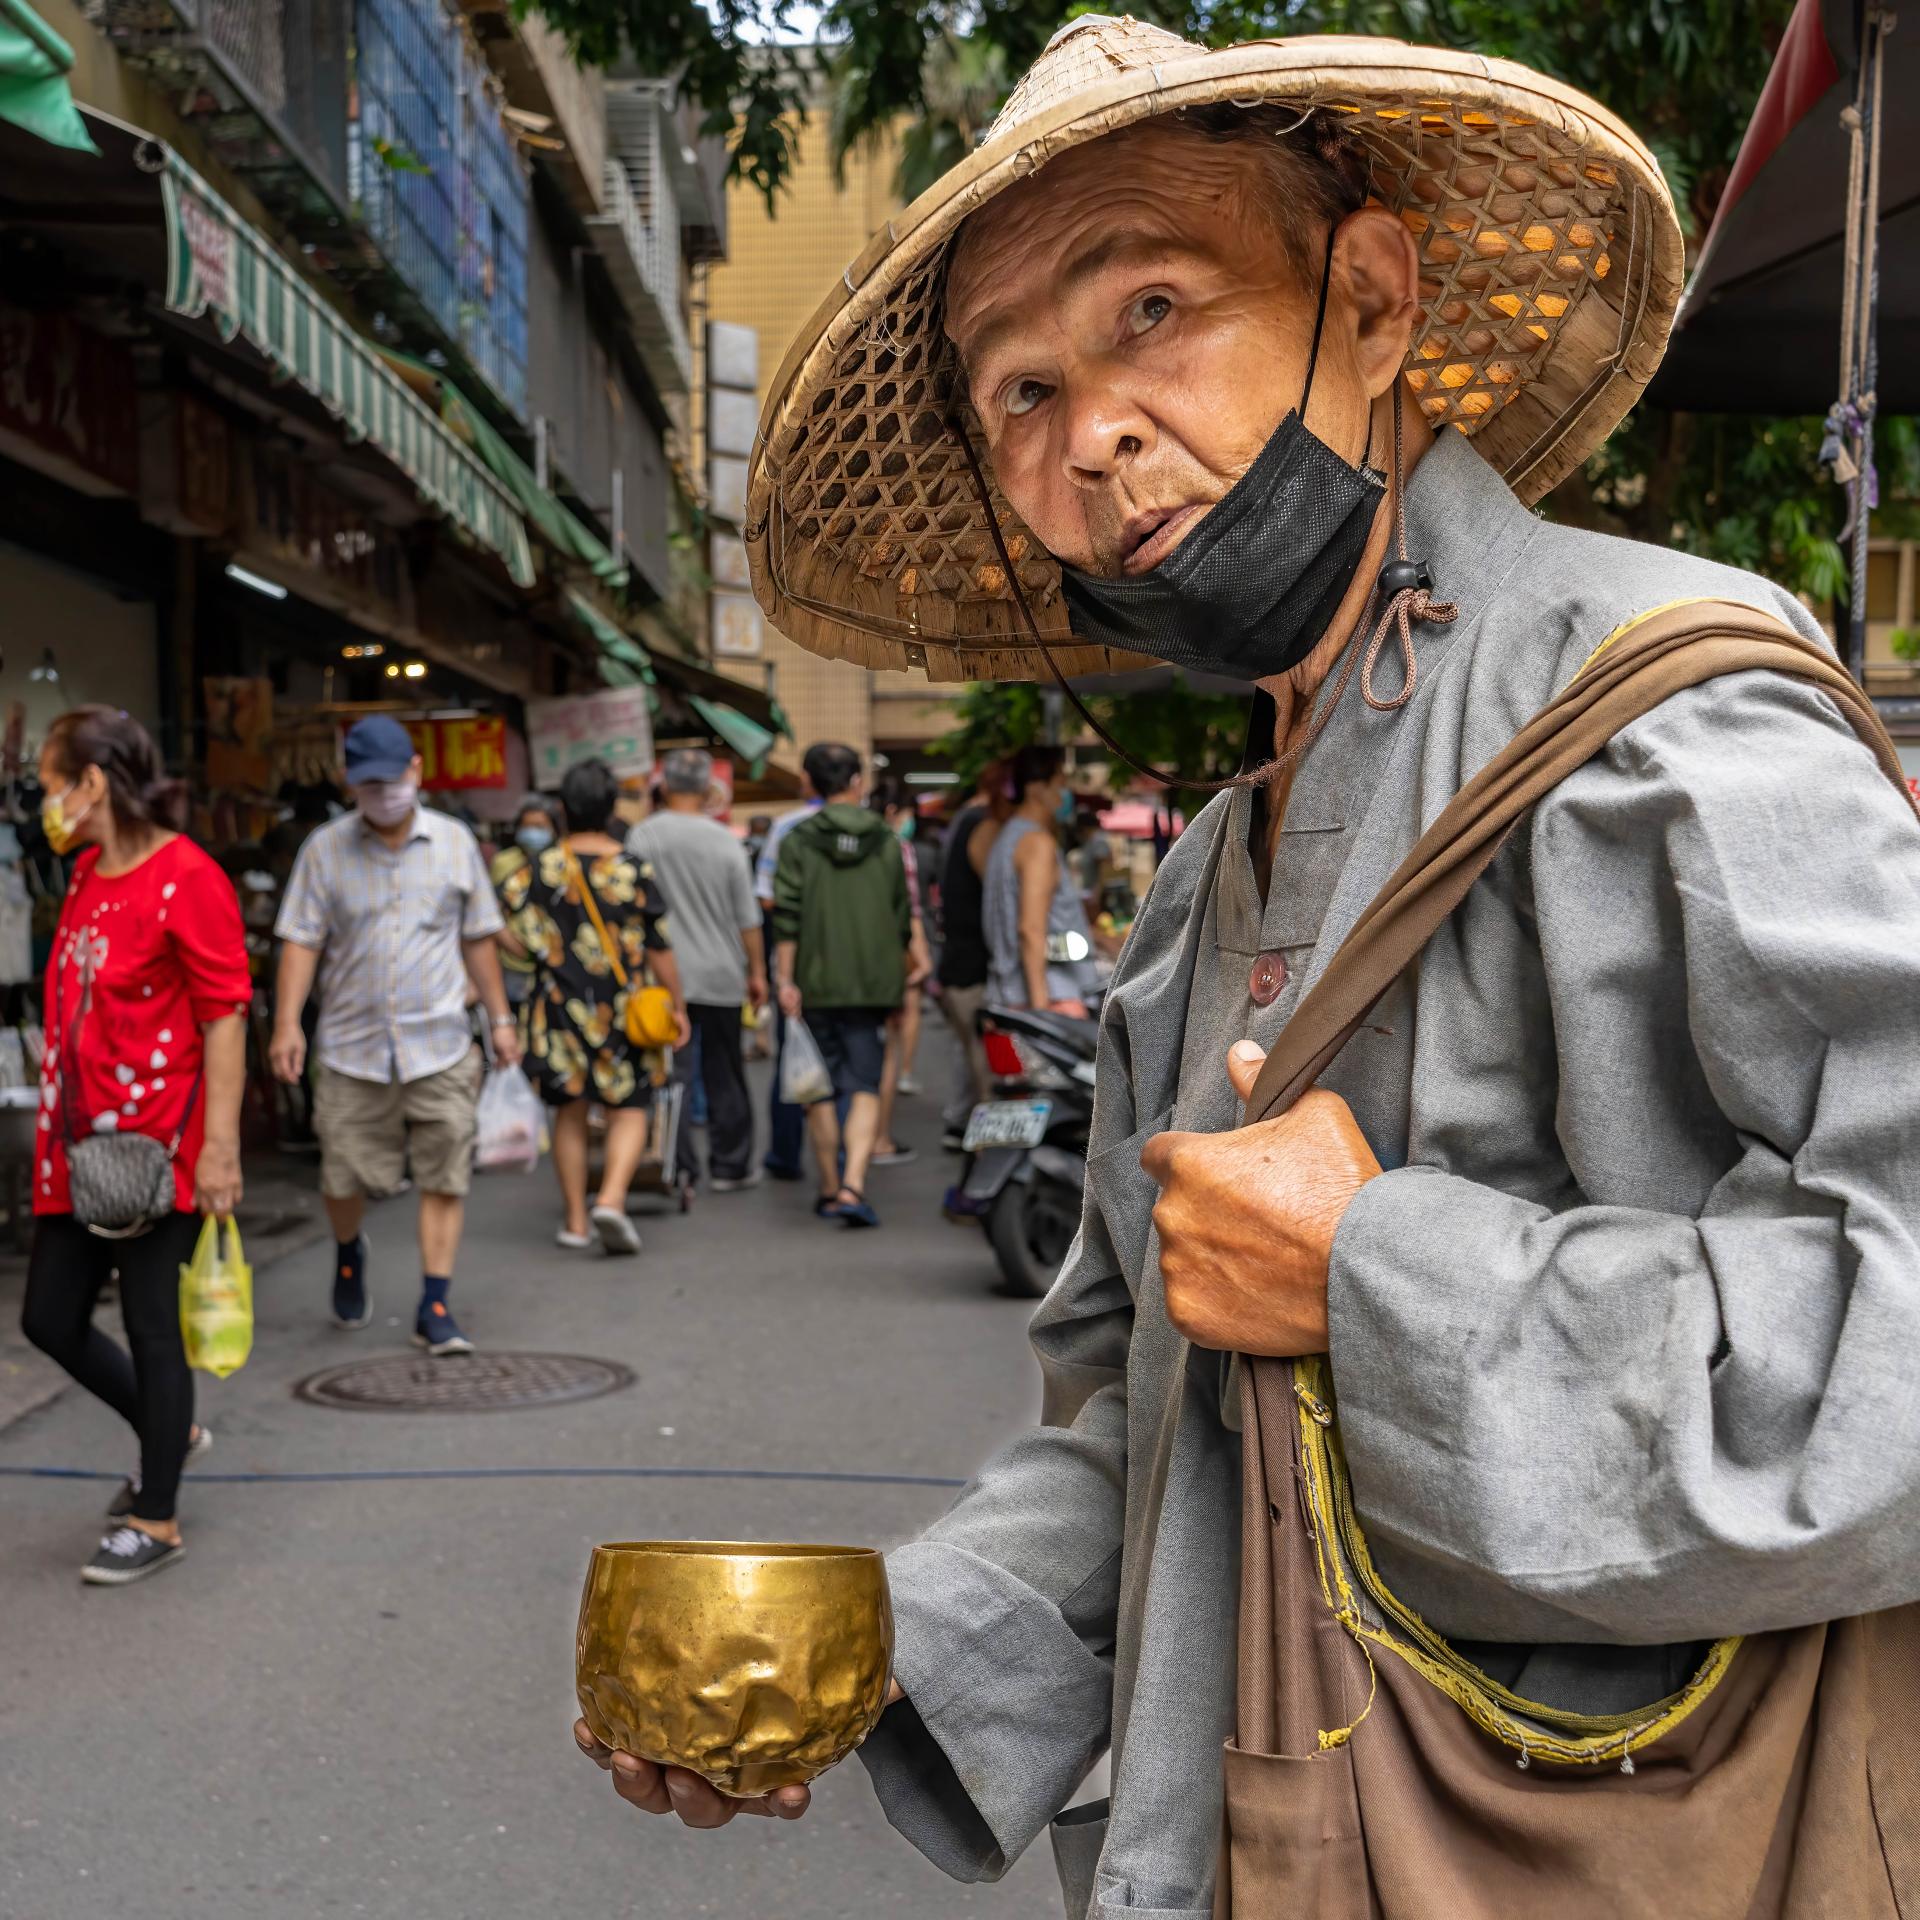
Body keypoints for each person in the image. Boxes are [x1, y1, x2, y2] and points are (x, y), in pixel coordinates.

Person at [576, 17, 1920, 1907]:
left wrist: (1379, 1274)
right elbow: (1153, 1421)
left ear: (1371, 296)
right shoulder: (1211, 877)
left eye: (1151, 311)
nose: (1092, 432)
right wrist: (877, 1654)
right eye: (1018, 392)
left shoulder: (1657, 724)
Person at [21, 706, 249, 1586]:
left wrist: (221, 1147)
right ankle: (171, 1430)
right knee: (48, 1317)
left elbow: (224, 1013)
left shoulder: (186, 875)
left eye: (52, 785)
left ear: (93, 784)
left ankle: (156, 1517)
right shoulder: (84, 876)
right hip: (80, 1145)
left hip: (161, 1141)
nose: (47, 804)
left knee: (154, 1328)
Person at [271, 715, 519, 1354]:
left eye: (391, 780)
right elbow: (301, 939)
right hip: (351, 1047)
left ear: (415, 771)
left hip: (438, 1041)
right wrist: (286, 1023)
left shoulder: (455, 842)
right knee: (343, 1176)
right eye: (367, 785)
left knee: (445, 1174)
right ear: (350, 785)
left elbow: (479, 937)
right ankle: (349, 1248)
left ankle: (434, 1303)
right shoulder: (324, 849)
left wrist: (500, 1019)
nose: (382, 794)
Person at [496, 758, 688, 1254]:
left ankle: (577, 1222)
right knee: (629, 1107)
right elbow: (659, 945)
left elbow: (492, 922)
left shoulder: (537, 868)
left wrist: (536, 950)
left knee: (570, 1110)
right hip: (622, 1009)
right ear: (609, 810)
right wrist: (678, 1005)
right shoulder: (630, 868)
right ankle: (612, 1198)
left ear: (561, 810)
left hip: (555, 1005)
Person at [769, 743, 910, 1228]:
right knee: (864, 1083)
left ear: (809, 782)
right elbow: (901, 918)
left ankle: (829, 1187)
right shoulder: (887, 842)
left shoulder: (797, 840)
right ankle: (854, 1184)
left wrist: (784, 980)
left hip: (814, 981)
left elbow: (785, 916)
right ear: (856, 782)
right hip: (873, 982)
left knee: (819, 1088)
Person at [626, 748, 766, 1193]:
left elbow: (632, 912)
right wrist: (757, 971)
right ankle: (731, 1166)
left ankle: (679, 1166)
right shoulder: (727, 841)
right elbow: (748, 919)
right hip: (723, 972)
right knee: (725, 1071)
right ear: (708, 790)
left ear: (664, 786)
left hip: (664, 978)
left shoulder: (642, 837)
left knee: (675, 1075)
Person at [982, 745, 1101, 1018]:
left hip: (1006, 996)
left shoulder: (1006, 839)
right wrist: (1042, 1017)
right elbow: (1031, 929)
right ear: (1036, 788)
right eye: (1060, 784)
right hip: (1051, 999)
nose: (1064, 795)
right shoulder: (1037, 844)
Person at [753, 773, 825, 1180]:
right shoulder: (876, 832)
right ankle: (846, 1166)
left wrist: (780, 975)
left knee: (794, 1063)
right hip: (857, 974)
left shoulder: (788, 827)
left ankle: (786, 1154)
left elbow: (766, 898)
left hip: (798, 967)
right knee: (848, 1068)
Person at [932, 761, 1006, 1149]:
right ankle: (985, 1167)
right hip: (972, 964)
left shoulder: (965, 819)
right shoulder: (982, 823)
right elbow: (998, 897)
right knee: (986, 1074)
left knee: (972, 1057)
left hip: (960, 963)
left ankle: (959, 1125)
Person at [867, 777, 933, 1166]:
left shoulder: (843, 841)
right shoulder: (896, 847)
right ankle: (878, 1138)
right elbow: (908, 910)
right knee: (888, 1050)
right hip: (889, 959)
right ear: (893, 812)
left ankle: (849, 1138)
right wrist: (922, 958)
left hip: (843, 960)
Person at [491, 793, 562, 1014]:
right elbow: (492, 914)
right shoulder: (504, 862)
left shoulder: (561, 861)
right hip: (514, 964)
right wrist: (518, 949)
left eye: (540, 826)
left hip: (557, 963)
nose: (533, 832)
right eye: (527, 826)